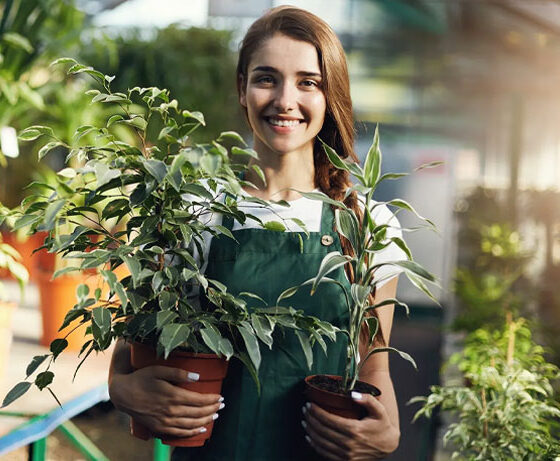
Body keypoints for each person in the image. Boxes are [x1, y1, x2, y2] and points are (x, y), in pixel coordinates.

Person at [108, 6, 405, 460]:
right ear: (242, 89)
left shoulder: (367, 223)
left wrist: (389, 434)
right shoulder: (194, 209)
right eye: (267, 78)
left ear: (331, 97)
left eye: (309, 82)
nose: (286, 99)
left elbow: (373, 367)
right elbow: (131, 355)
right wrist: (123, 391)